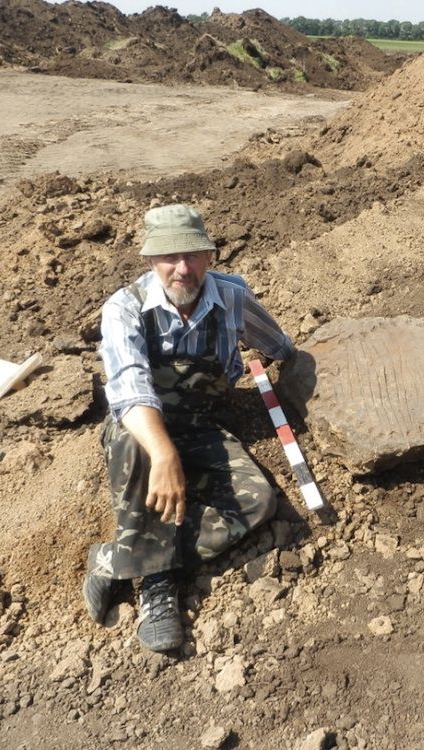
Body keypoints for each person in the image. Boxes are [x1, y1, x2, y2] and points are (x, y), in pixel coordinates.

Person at [82, 204, 294, 651]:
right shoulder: (125, 309)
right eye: (169, 257)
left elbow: (277, 345)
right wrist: (164, 454)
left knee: (257, 504)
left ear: (209, 255)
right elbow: (130, 391)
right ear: (149, 261)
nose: (183, 268)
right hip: (141, 430)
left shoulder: (233, 297)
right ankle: (158, 586)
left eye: (193, 255)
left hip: (202, 425)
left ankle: (117, 559)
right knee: (132, 440)